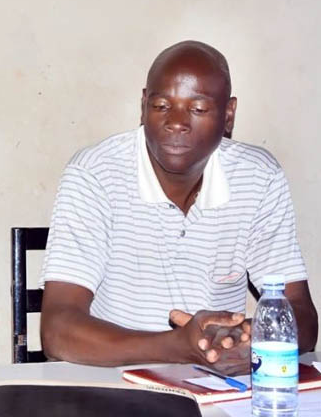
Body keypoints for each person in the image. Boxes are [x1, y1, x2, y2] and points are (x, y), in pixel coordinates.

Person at [39, 40, 317, 375]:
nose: (176, 122)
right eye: (161, 106)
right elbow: (57, 331)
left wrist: (248, 341)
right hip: (112, 386)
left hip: (219, 392)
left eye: (197, 109)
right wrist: (178, 347)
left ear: (228, 114)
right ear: (143, 105)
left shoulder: (258, 177)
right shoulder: (95, 175)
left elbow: (300, 314)